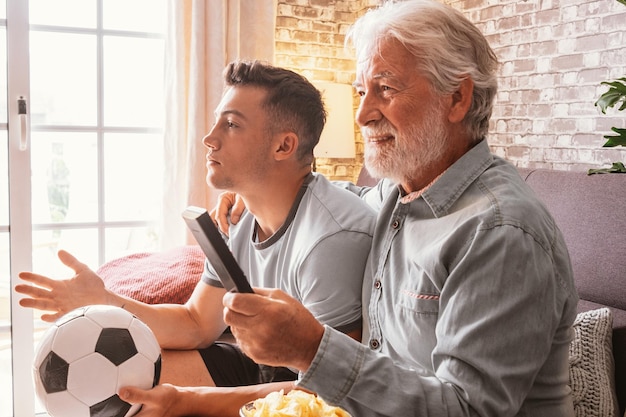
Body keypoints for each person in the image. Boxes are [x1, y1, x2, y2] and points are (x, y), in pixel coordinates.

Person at [214, 1, 579, 416]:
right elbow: (337, 194)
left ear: (457, 98)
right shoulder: (396, 193)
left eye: (385, 89)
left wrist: (313, 348)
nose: (363, 113)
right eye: (360, 91)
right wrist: (254, 190)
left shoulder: (499, 231)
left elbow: (468, 410)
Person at [16, 60, 376, 414]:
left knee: (153, 399)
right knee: (120, 383)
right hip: (259, 362)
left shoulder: (330, 240)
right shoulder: (240, 216)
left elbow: (331, 388)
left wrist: (191, 402)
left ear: (283, 146)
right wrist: (104, 300)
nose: (209, 138)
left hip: (307, 382)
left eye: (231, 124)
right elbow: (196, 323)